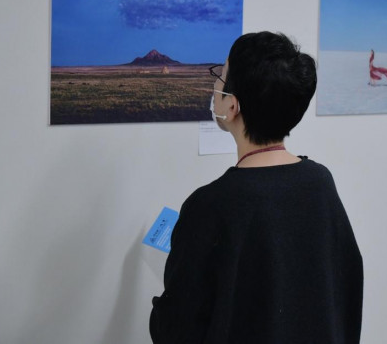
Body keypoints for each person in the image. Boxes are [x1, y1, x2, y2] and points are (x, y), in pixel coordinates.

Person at [150, 31, 363, 343]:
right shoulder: (320, 182)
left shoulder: (210, 205)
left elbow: (176, 327)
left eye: (221, 77)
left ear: (233, 106)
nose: (215, 85)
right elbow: (347, 293)